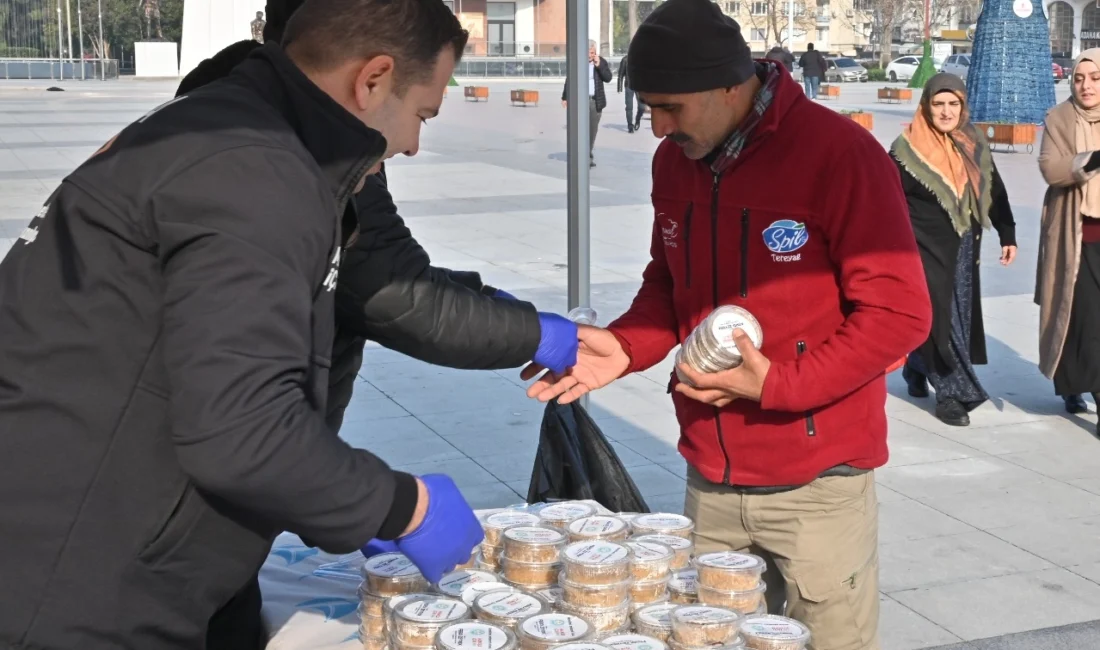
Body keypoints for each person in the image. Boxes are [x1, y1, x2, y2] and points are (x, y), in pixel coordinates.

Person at [0, 0, 489, 647]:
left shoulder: (218, 131)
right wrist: (402, 506)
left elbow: (219, 366)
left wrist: (331, 495)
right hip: (78, 576)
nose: (413, 145)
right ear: (372, 80)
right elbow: (241, 430)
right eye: (420, 114)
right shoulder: (259, 169)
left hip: (88, 532)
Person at [523, 0, 931, 646]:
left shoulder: (839, 156)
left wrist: (778, 386)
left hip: (818, 485)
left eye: (671, 108)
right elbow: (668, 282)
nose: (657, 127)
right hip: (710, 478)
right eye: (649, 106)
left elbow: (900, 314)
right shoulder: (675, 163)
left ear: (729, 86)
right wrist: (626, 347)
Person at [891, 73, 1018, 427]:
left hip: (963, 247)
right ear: (926, 106)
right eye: (938, 104)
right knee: (941, 318)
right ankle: (952, 392)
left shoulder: (973, 142)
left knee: (953, 316)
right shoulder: (904, 150)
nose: (946, 112)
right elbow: (887, 203)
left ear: (962, 106)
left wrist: (1008, 232)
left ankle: (916, 365)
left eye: (953, 104)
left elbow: (993, 189)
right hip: (921, 248)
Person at [1037, 49, 1100, 432]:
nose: (1086, 85)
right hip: (1076, 234)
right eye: (1079, 78)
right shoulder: (1060, 118)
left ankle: (1075, 384)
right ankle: (1080, 387)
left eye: (1094, 78)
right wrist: (1090, 159)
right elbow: (1050, 167)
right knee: (1079, 315)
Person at [562, 40, 613, 167]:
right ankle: (578, 155)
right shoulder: (578, 62)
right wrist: (565, 97)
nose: (590, 55)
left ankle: (588, 156)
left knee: (592, 130)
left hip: (595, 102)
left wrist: (599, 66)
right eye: (588, 52)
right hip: (579, 101)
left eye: (592, 52)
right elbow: (569, 80)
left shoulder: (601, 62)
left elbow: (608, 78)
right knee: (578, 129)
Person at [617, 54, 646, 133]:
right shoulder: (625, 60)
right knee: (629, 107)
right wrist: (619, 88)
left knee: (642, 107)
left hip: (639, 87)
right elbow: (620, 75)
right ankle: (630, 126)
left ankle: (637, 120)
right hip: (628, 86)